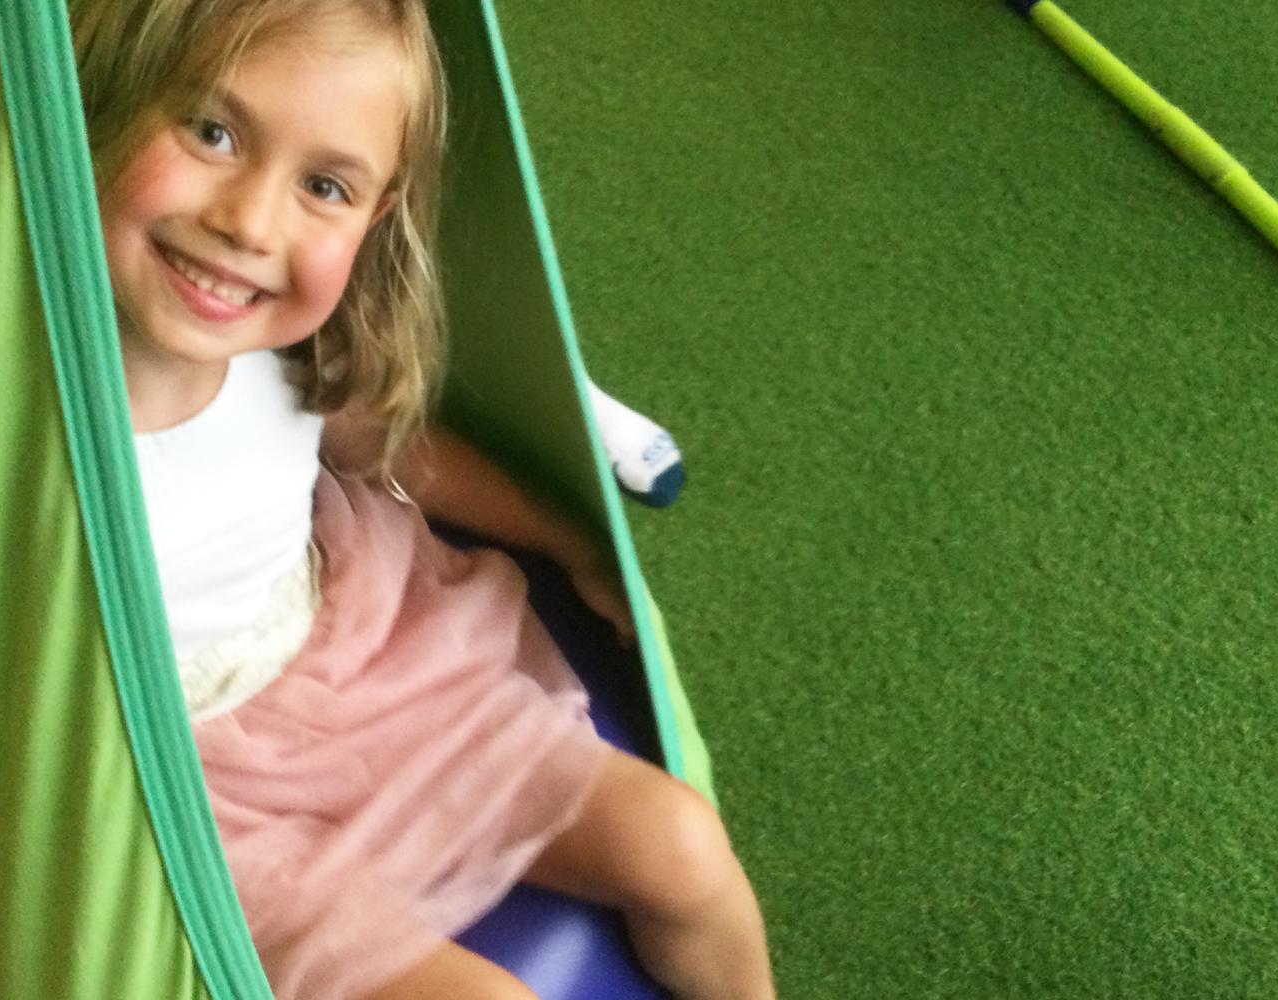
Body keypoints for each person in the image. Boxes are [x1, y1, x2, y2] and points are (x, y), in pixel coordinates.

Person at [73, 1, 775, 997]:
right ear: (103, 105)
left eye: (324, 186)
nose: (249, 221)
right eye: (212, 132)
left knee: (679, 843)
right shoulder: (27, 421)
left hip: (366, 664)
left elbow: (387, 448)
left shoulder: (281, 350)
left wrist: (568, 538)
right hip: (178, 784)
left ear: (377, 212)